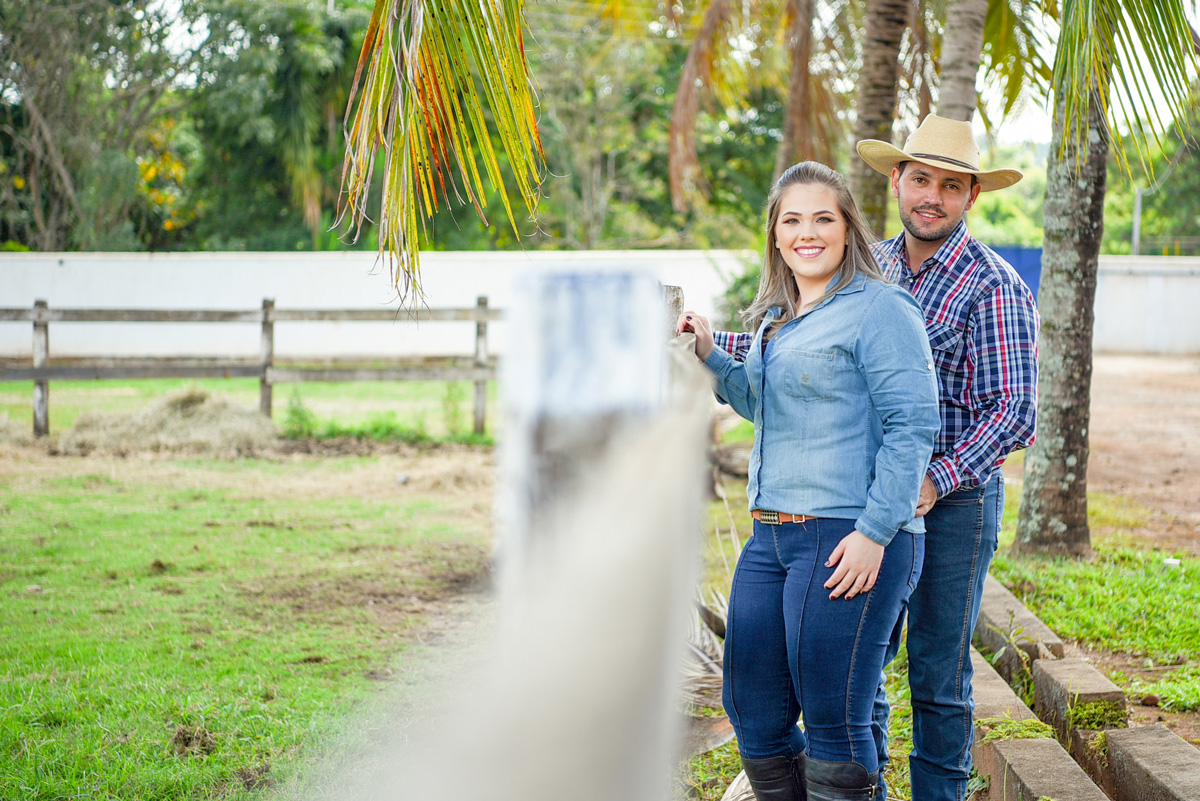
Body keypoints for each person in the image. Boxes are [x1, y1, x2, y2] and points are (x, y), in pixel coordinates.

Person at [711, 115, 1040, 801]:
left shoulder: (994, 284)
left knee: (937, 669)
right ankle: (869, 786)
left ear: (971, 195)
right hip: (866, 491)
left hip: (956, 493)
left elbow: (1013, 412)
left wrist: (932, 478)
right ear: (898, 181)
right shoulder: (865, 265)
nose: (932, 196)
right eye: (920, 179)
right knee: (867, 662)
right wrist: (708, 344)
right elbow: (803, 360)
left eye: (951, 186)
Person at [678, 161, 940, 801]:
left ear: (848, 229)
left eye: (823, 218)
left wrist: (875, 532)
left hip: (849, 536)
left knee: (834, 719)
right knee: (756, 711)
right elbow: (765, 404)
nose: (807, 233)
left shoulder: (881, 309)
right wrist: (712, 354)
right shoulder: (778, 316)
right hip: (770, 537)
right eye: (791, 220)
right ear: (774, 234)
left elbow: (913, 426)